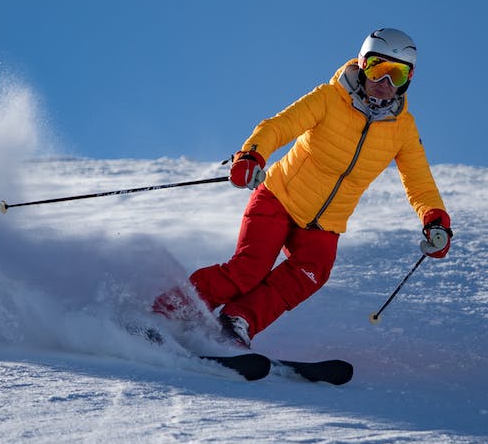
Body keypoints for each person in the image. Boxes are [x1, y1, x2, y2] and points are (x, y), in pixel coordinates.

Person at [153, 28, 452, 347]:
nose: (385, 82)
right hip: (279, 198)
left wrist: (435, 220)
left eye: (398, 73)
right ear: (363, 64)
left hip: (325, 224)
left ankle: (237, 321)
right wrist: (252, 156)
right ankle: (167, 312)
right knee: (248, 270)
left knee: (311, 273)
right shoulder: (329, 98)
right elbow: (279, 126)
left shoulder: (403, 129)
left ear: (409, 78)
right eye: (378, 69)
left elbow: (419, 179)